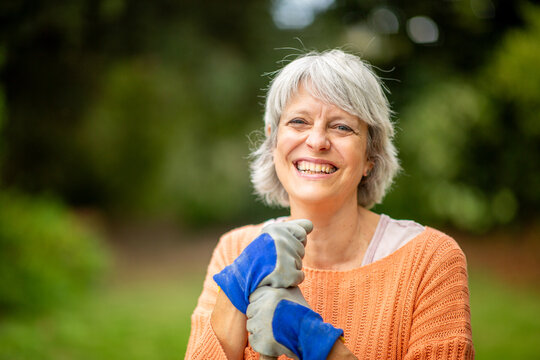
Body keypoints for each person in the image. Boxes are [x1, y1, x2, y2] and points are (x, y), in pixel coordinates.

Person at [185, 49, 474, 360]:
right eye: (299, 121)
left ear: (370, 157)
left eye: (342, 127)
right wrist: (236, 288)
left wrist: (318, 346)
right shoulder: (235, 250)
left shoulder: (429, 260)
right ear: (273, 142)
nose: (317, 141)